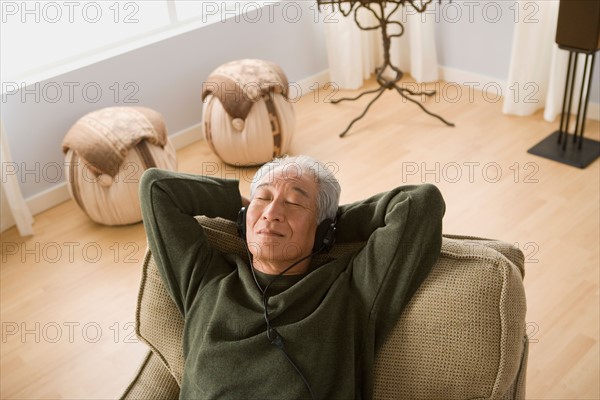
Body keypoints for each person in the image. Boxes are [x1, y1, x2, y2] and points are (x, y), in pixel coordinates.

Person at [139, 155, 445, 400]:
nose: (272, 212)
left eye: (295, 202)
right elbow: (157, 187)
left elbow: (419, 202)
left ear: (324, 231)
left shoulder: (353, 289)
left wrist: (331, 226)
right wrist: (247, 208)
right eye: (264, 197)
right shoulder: (204, 280)